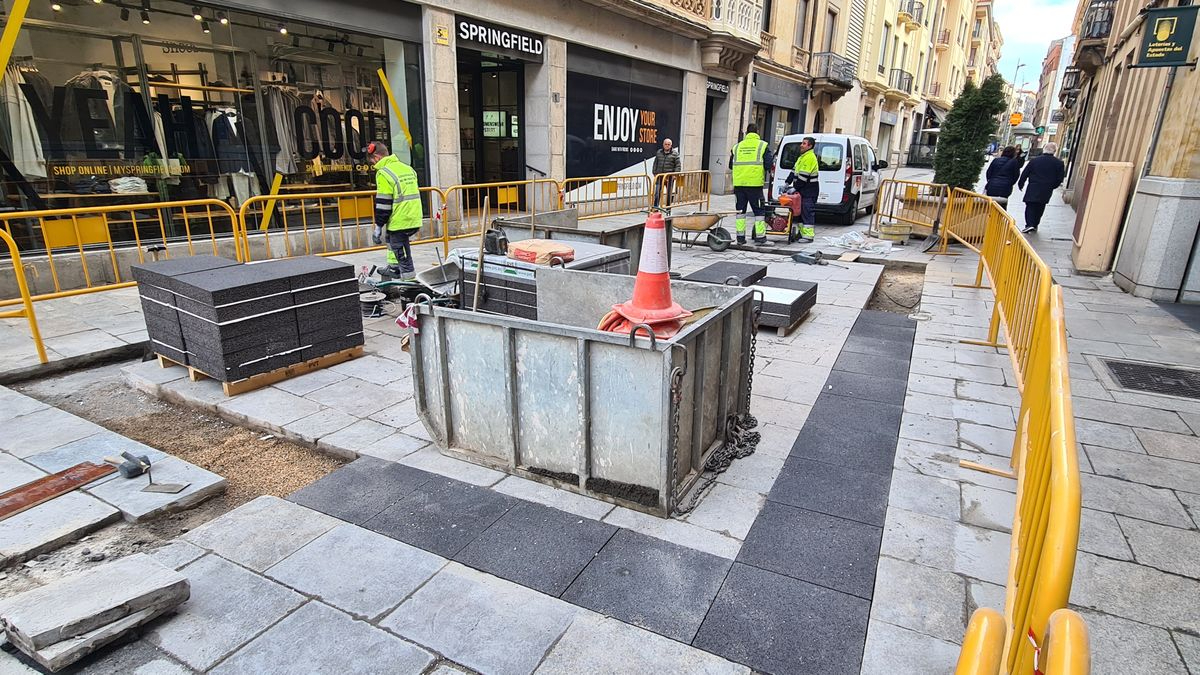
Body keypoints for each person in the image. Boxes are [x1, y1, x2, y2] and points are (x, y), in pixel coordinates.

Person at [366, 141, 423, 279]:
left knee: (402, 255)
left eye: (373, 162)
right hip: (414, 217)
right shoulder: (407, 168)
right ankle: (394, 268)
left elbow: (383, 204)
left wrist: (378, 226)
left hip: (401, 220)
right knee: (392, 241)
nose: (373, 165)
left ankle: (409, 284)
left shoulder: (384, 173)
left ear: (377, 157)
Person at [730, 124, 774, 245]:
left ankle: (740, 238)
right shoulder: (762, 145)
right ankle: (760, 238)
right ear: (757, 132)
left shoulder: (737, 147)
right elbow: (768, 164)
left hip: (739, 185)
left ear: (746, 133)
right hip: (755, 185)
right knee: (759, 212)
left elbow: (730, 165)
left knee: (740, 212)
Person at [1017, 141, 1065, 234]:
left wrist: (1021, 183)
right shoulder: (1059, 163)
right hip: (1046, 188)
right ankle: (1035, 224)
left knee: (1030, 205)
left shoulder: (1035, 160)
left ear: (1044, 149)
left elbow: (1025, 173)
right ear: (1054, 151)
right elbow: (1060, 178)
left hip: (1034, 186)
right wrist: (1052, 186)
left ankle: (1029, 224)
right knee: (1041, 206)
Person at [785, 136, 819, 241]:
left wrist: (794, 188)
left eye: (804, 143)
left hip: (809, 190)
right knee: (799, 212)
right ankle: (801, 233)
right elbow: (793, 171)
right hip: (802, 190)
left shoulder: (810, 158)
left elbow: (803, 177)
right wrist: (787, 183)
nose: (801, 145)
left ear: (810, 146)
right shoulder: (802, 157)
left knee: (807, 212)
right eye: (802, 143)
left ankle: (808, 236)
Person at [651, 138, 681, 208]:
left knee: (668, 194)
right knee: (657, 193)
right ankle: (655, 207)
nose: (667, 146)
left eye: (668, 144)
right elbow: (655, 163)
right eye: (665, 144)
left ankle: (668, 208)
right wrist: (654, 172)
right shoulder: (659, 152)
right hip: (659, 176)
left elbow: (678, 166)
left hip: (669, 177)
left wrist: (674, 175)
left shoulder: (675, 154)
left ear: (671, 145)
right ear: (663, 144)